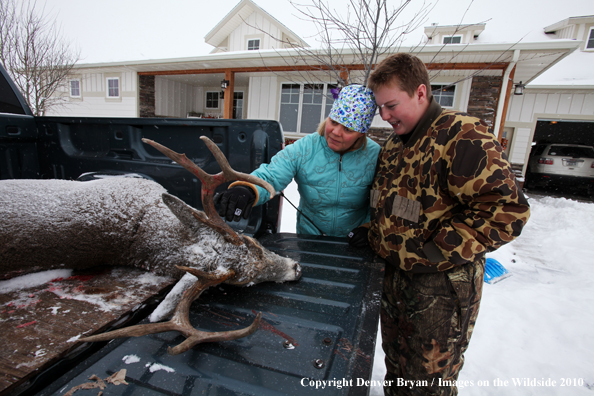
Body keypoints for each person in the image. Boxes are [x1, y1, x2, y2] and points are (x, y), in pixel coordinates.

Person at [366, 53, 531, 396]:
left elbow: (507, 211)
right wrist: (374, 235)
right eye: (380, 107)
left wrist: (434, 248)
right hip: (396, 283)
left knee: (427, 386)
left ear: (421, 93)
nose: (384, 116)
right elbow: (396, 206)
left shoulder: (461, 136)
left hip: (440, 288)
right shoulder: (395, 146)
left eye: (391, 105)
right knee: (397, 372)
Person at [215, 84, 381, 239]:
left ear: (361, 133)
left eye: (348, 129)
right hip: (310, 240)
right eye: (334, 122)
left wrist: (368, 227)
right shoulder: (305, 148)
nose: (336, 132)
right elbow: (273, 174)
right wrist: (248, 188)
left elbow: (384, 200)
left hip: (356, 242)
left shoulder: (375, 155)